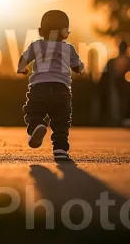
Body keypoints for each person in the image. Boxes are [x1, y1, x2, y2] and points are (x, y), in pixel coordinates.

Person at [17, 10, 84, 162]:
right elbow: (78, 67)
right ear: (66, 33)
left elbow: (23, 61)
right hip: (61, 90)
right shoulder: (68, 49)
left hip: (39, 88)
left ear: (40, 32)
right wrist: (81, 68)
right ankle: (60, 149)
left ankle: (37, 125)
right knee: (61, 121)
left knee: (33, 111)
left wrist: (22, 69)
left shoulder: (36, 46)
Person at [99, 41, 130, 125]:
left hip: (127, 88)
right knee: (115, 104)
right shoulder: (113, 61)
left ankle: (122, 120)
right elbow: (104, 76)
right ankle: (117, 120)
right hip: (115, 87)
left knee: (123, 104)